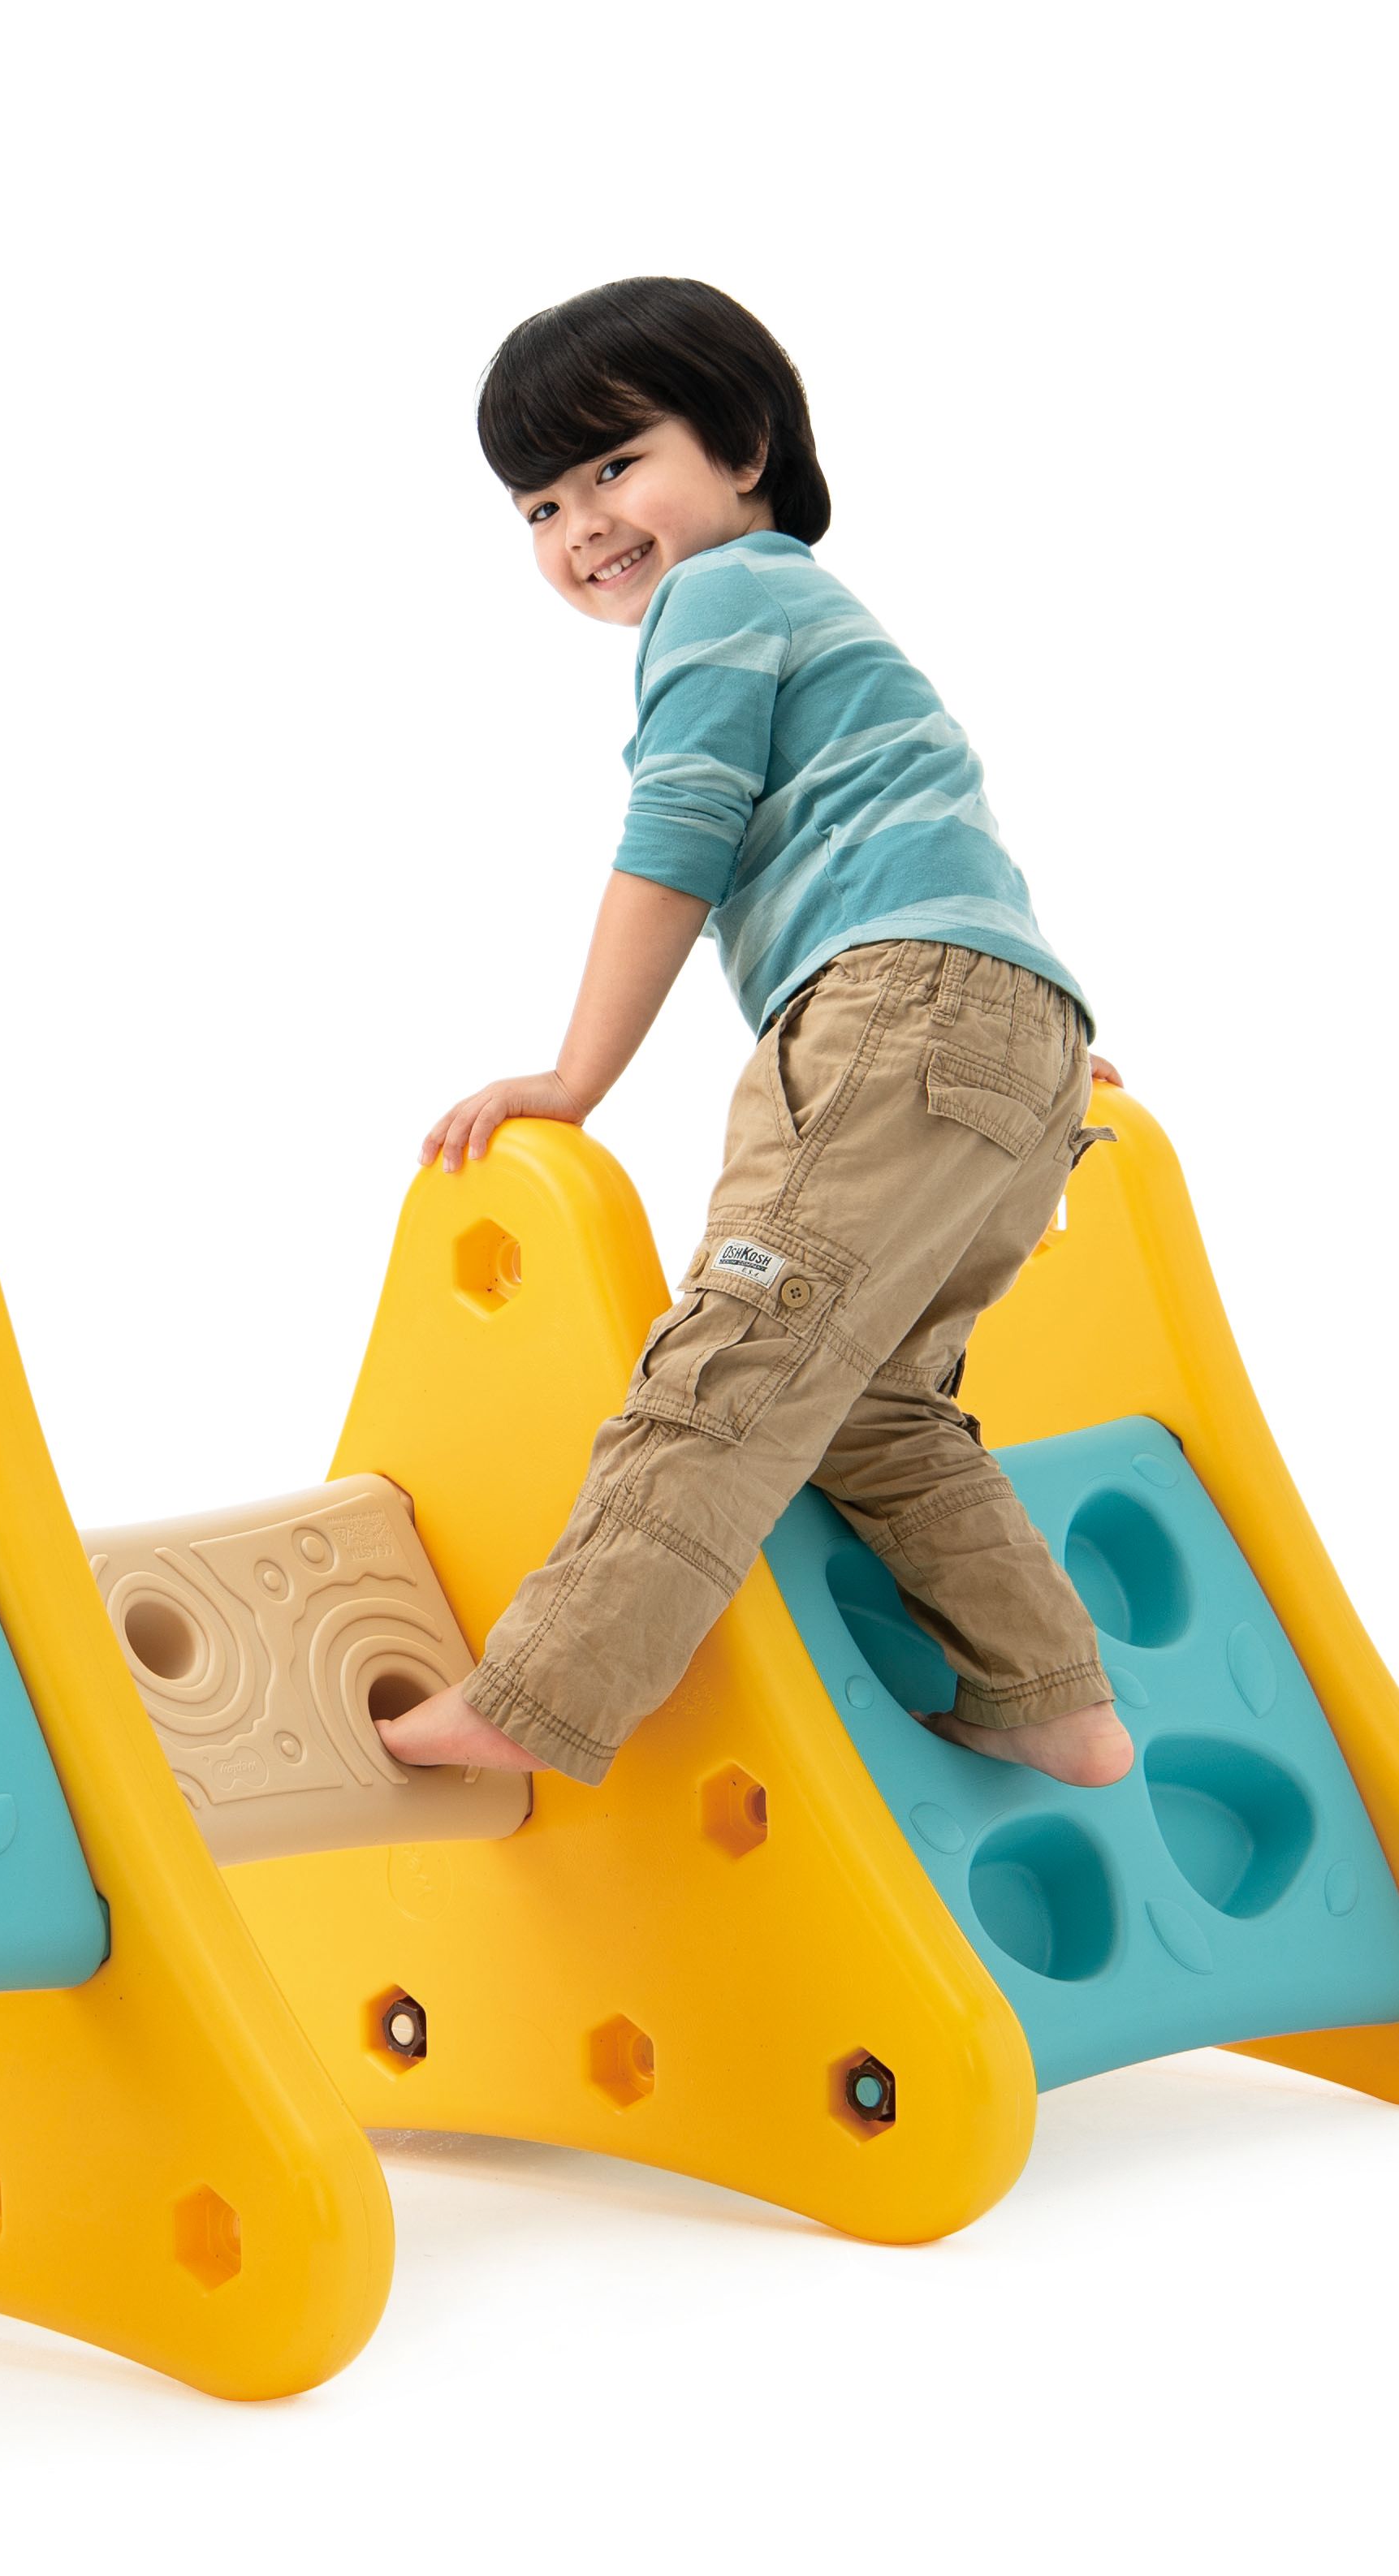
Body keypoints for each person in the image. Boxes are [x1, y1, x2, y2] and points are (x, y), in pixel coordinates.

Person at [377, 277, 1138, 1793]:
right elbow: (938, 831)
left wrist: (573, 1077)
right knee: (870, 1405)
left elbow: (679, 835)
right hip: (1005, 1026)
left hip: (899, 1014)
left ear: (742, 449)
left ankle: (542, 1692)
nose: (580, 525)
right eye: (537, 506)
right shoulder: (809, 611)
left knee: (734, 1360)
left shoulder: (718, 597)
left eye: (614, 465)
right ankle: (1045, 1691)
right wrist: (1033, 1047)